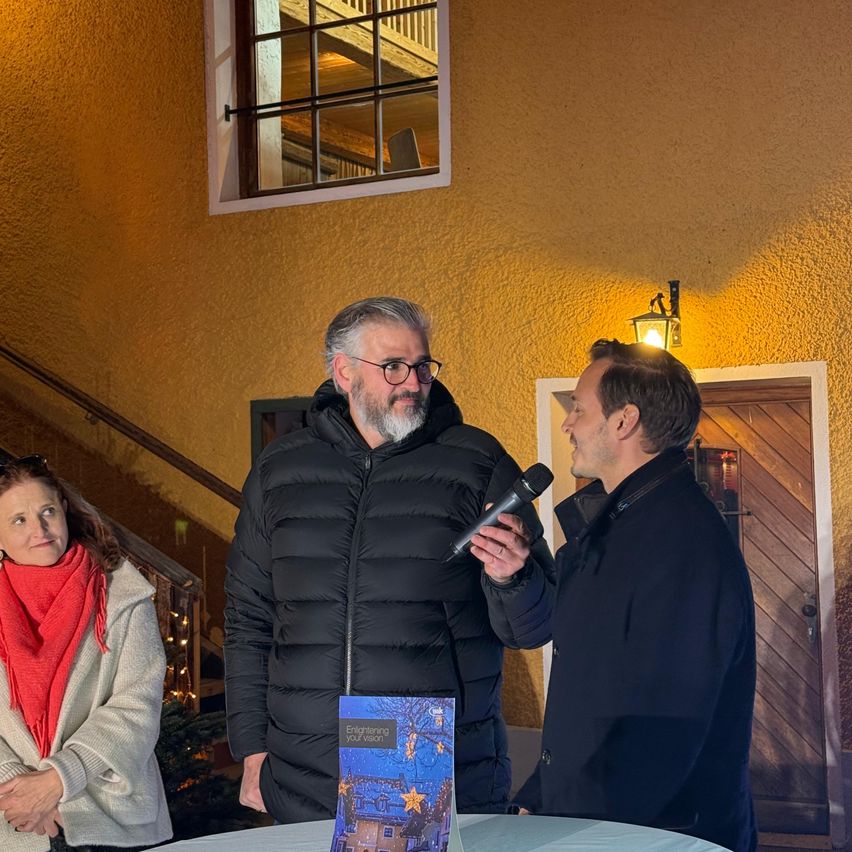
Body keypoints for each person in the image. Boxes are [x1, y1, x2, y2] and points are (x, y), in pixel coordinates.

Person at [224, 296, 555, 824]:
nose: (413, 381)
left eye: (422, 365)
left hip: (432, 765)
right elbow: (248, 619)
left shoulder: (478, 461)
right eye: (393, 366)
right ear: (344, 372)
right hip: (305, 774)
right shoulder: (279, 470)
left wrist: (512, 577)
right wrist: (250, 748)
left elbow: (534, 627)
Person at [484, 339, 757, 852]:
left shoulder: (681, 542)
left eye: (580, 410)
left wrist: (587, 831)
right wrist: (542, 795)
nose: (568, 424)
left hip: (653, 834)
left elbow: (664, 726)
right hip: (592, 818)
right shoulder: (617, 526)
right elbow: (586, 679)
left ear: (624, 421)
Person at [0, 455, 172, 851]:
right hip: (16, 823)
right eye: (19, 520)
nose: (39, 529)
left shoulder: (122, 594)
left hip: (109, 818)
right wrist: (20, 792)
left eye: (46, 511)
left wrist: (59, 779)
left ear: (63, 509)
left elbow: (137, 705)